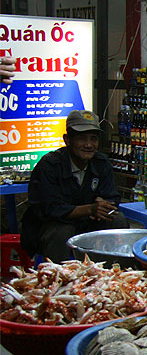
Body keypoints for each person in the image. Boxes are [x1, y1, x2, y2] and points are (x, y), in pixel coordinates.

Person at [21, 110, 128, 263]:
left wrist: (103, 203)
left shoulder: (101, 163)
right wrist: (89, 209)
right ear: (67, 140)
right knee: (62, 232)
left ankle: (115, 271)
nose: (88, 145)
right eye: (82, 139)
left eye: (93, 139)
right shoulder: (50, 165)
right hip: (52, 226)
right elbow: (48, 209)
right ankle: (58, 278)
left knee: (117, 219)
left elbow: (112, 197)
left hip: (88, 224)